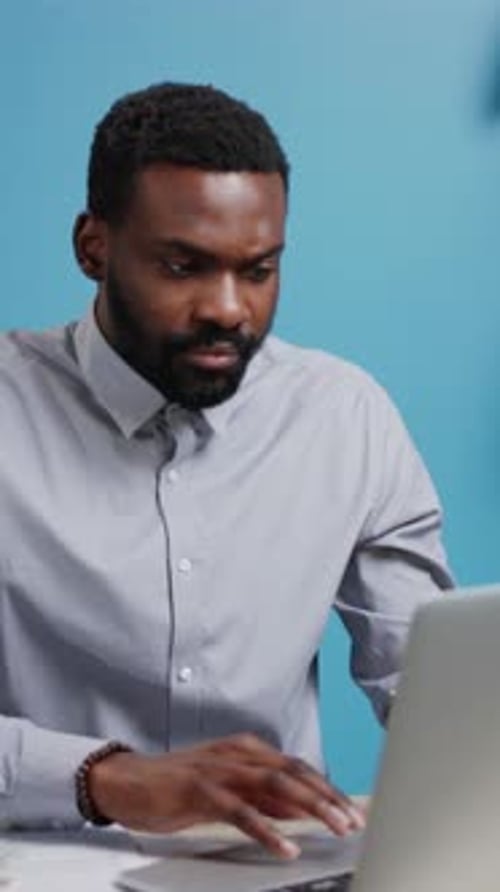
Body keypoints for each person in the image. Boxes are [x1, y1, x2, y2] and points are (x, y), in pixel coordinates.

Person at [0, 82, 452, 857]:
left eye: (259, 270)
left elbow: (433, 693)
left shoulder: (345, 416)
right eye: (184, 266)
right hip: (47, 863)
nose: (228, 309)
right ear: (93, 247)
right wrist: (107, 778)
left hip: (283, 868)